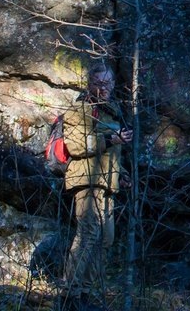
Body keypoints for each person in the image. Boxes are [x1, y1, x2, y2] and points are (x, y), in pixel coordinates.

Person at [63, 61, 131, 296]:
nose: (104, 88)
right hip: (86, 180)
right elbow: (76, 145)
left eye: (108, 83)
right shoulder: (79, 109)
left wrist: (122, 175)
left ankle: (87, 291)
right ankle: (69, 290)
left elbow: (111, 156)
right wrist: (111, 139)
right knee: (89, 232)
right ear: (89, 84)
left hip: (107, 184)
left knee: (106, 238)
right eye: (98, 83)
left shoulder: (111, 112)